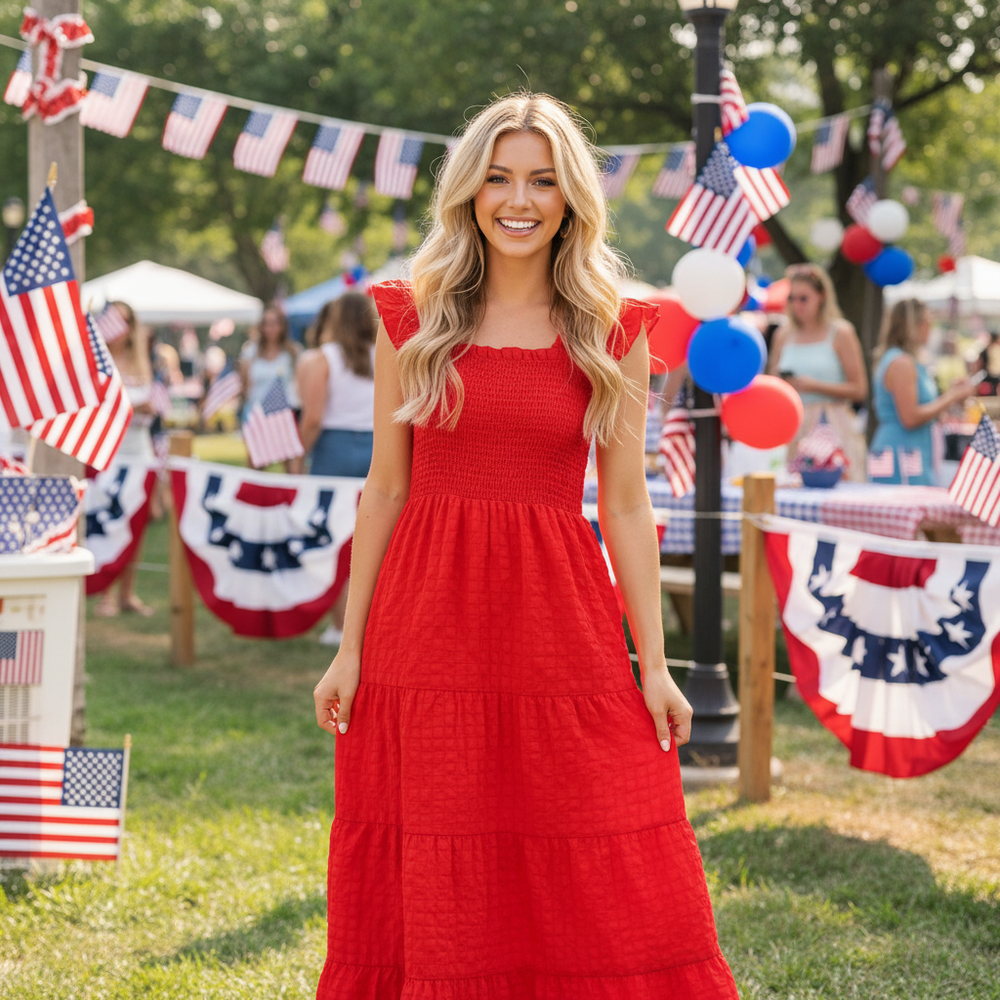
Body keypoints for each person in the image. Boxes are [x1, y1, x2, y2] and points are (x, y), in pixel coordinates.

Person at [311, 93, 738, 999]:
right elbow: (385, 486)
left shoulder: (615, 329)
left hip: (559, 615)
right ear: (467, 192)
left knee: (588, 812)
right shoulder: (408, 316)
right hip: (422, 621)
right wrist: (349, 648)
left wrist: (653, 662)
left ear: (572, 198)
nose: (520, 198)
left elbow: (625, 505)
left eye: (543, 180)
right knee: (438, 826)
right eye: (499, 177)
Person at [297, 292, 378, 646]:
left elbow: (312, 417)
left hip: (334, 450)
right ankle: (369, 623)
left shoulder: (321, 358)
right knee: (373, 538)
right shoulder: (386, 354)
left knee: (333, 537)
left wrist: (298, 456)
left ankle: (339, 625)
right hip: (378, 448)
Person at [768, 263, 869, 480]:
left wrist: (813, 385)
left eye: (803, 298)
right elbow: (772, 383)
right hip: (794, 425)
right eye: (792, 299)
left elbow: (859, 389)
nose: (797, 305)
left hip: (832, 423)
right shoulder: (783, 335)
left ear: (821, 296)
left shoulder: (841, 332)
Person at [870, 298, 976, 485]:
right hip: (901, 452)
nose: (931, 326)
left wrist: (950, 395)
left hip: (911, 449)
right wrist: (952, 396)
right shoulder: (901, 362)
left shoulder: (904, 360)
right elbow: (910, 417)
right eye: (927, 321)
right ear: (913, 325)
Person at [95, 301, 156, 617]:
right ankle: (106, 593)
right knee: (111, 522)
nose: (118, 327)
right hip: (110, 451)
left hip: (139, 451)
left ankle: (127, 593)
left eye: (124, 320)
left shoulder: (142, 360)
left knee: (136, 524)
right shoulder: (96, 358)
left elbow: (153, 401)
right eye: (112, 319)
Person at [239, 304, 300, 467]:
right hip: (256, 412)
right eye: (266, 323)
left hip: (283, 415)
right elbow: (244, 384)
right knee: (256, 464)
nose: (271, 328)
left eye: (275, 323)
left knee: (292, 465)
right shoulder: (250, 351)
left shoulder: (293, 352)